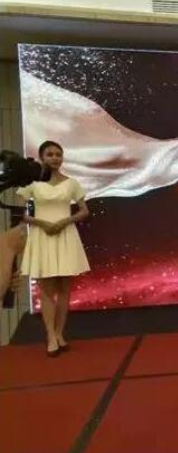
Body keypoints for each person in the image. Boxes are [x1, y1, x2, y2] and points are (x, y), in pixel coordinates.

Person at [17, 141, 90, 356]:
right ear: (41, 157)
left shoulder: (71, 183)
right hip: (43, 236)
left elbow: (84, 211)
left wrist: (64, 222)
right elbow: (22, 214)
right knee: (47, 290)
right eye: (50, 154)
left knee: (65, 289)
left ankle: (59, 333)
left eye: (58, 154)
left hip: (65, 235)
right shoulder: (32, 183)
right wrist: (43, 224)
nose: (55, 158)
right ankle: (50, 335)